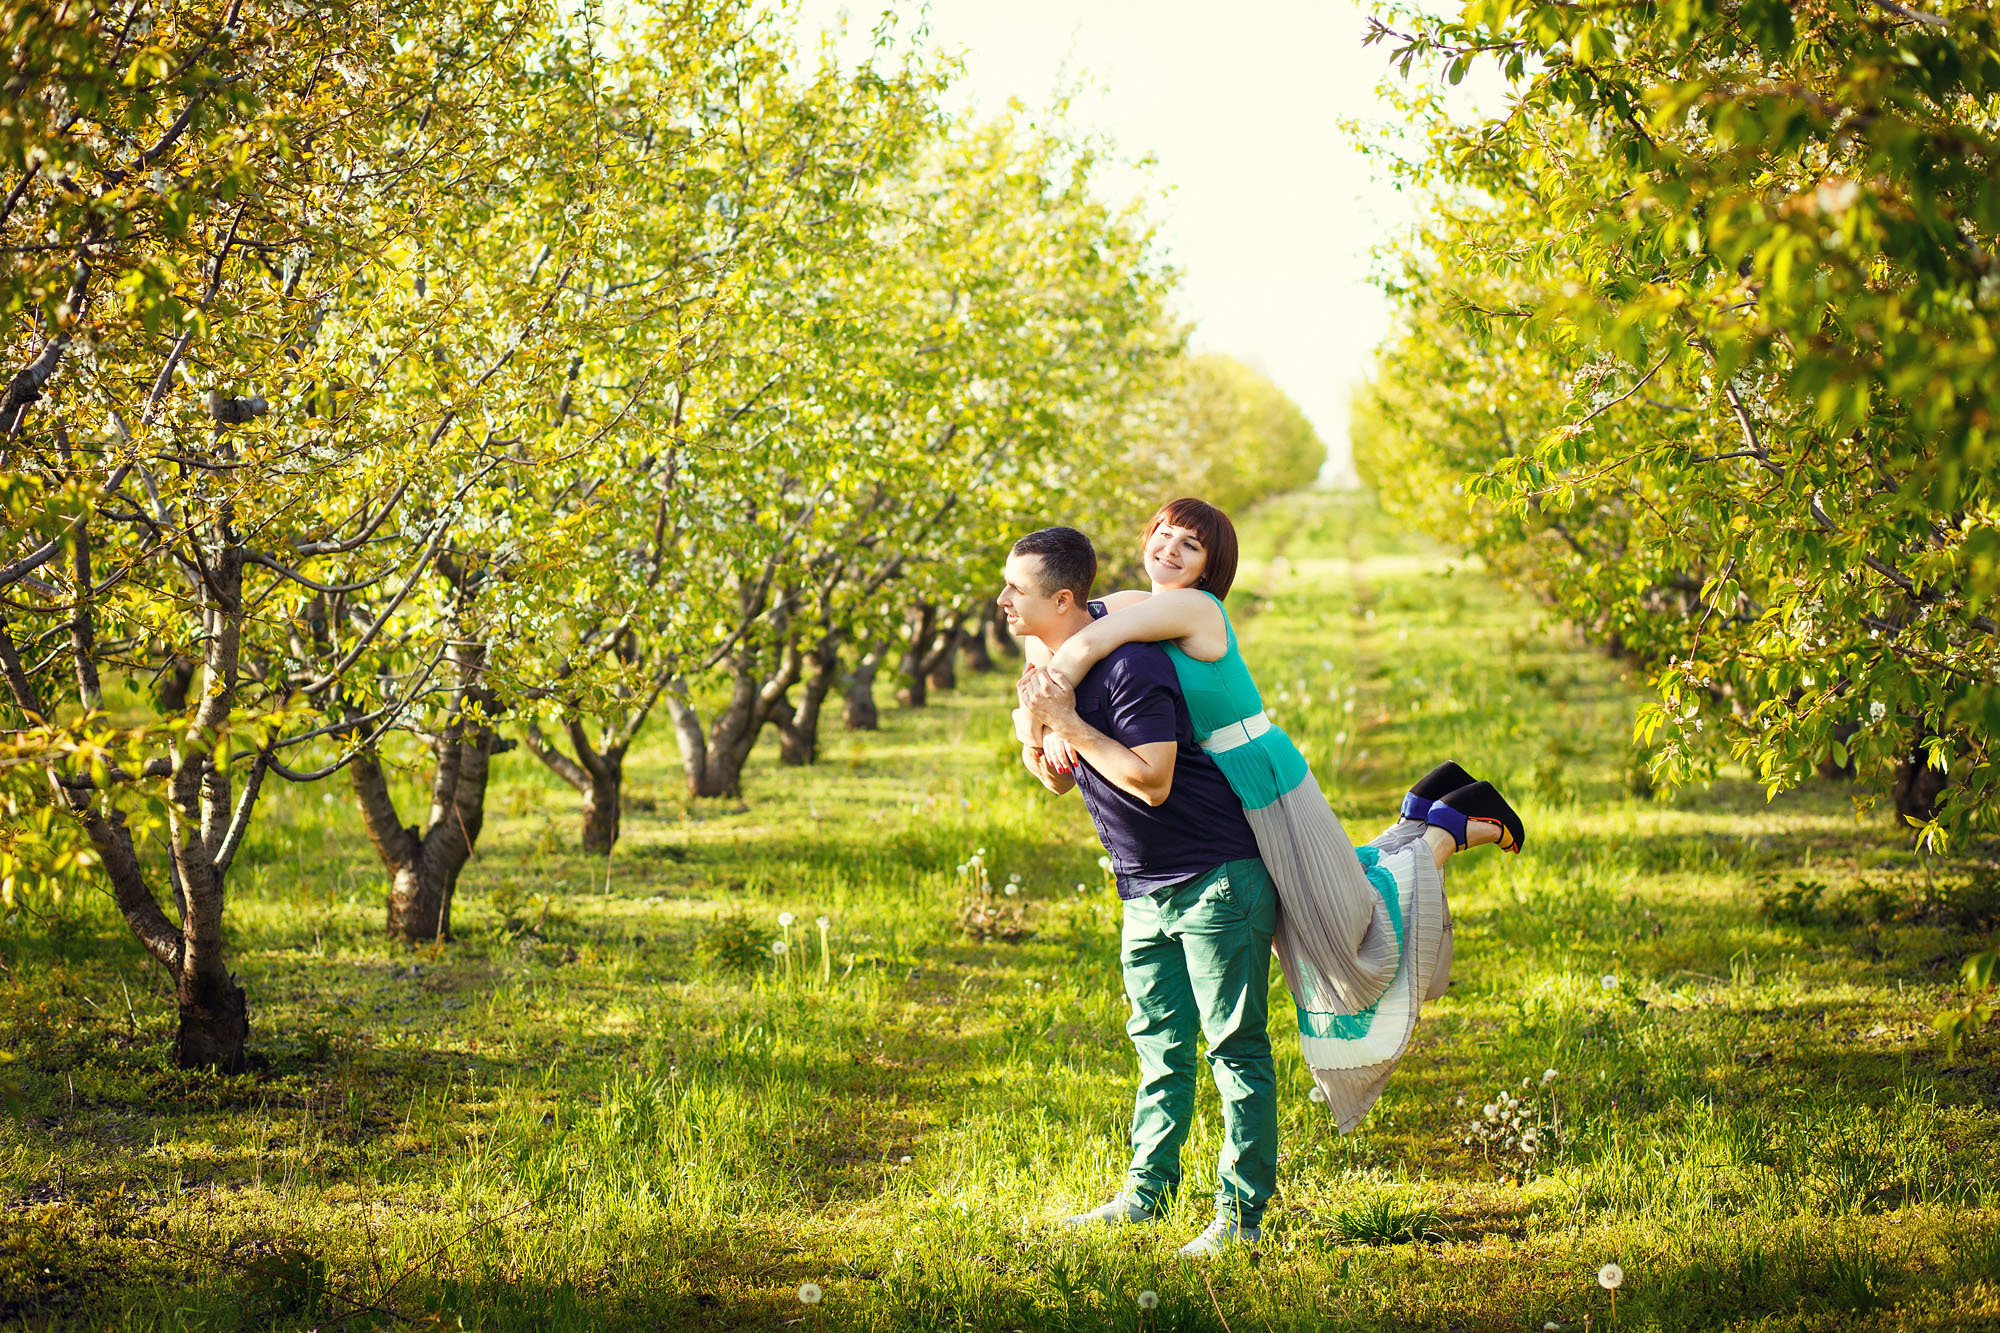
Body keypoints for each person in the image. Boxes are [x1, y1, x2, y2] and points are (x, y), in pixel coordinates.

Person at [1019, 497, 1525, 1138]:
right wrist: (1030, 713)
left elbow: (1085, 641)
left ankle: (1449, 829)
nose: (1170, 550)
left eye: (1190, 546)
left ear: (1209, 567)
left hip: (1265, 779)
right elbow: (1057, 625)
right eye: (1163, 535)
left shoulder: (1195, 608)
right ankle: (1430, 810)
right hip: (1230, 792)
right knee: (1331, 897)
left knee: (1346, 922)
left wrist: (1039, 717)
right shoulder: (1137, 604)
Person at [1001, 525, 1280, 1256]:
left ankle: (1242, 1219)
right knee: (1159, 1046)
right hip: (1145, 888)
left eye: (1015, 590)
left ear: (1062, 600)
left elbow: (1152, 781)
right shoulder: (1055, 662)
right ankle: (1144, 1197)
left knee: (1233, 1048)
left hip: (1216, 877)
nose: (1001, 600)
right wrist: (1045, 747)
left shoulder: (1131, 668)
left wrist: (1065, 722)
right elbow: (1058, 772)